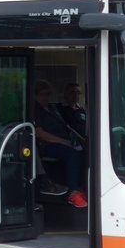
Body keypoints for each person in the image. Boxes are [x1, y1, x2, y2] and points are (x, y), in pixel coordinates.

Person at [33, 80, 87, 208]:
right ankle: (73, 192)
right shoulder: (36, 110)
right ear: (36, 95)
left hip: (64, 142)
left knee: (85, 153)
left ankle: (82, 187)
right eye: (43, 94)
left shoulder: (53, 108)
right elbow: (40, 133)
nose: (46, 97)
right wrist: (64, 142)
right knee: (72, 155)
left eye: (48, 94)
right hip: (46, 145)